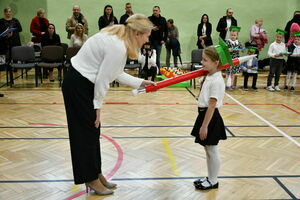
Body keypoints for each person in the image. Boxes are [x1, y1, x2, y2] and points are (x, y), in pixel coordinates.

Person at [62, 14, 154, 195]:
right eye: (146, 35)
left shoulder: (119, 40)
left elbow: (115, 72)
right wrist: (97, 108)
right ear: (137, 33)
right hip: (78, 85)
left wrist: (140, 82)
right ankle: (90, 178)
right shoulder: (117, 46)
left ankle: (96, 173)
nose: (147, 39)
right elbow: (103, 80)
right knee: (85, 133)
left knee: (93, 132)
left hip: (85, 83)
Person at [191, 46, 226, 190]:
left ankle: (213, 180)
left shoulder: (217, 80)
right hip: (204, 114)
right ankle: (210, 177)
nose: (202, 62)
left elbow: (212, 105)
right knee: (208, 149)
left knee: (212, 150)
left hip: (209, 116)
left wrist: (204, 126)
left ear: (216, 62)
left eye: (205, 60)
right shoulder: (209, 76)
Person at [148, 6, 168, 70]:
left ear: (159, 11)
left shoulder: (163, 19)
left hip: (159, 41)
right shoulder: (149, 19)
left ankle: (158, 71)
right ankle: (149, 71)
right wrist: (151, 28)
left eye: (156, 10)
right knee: (150, 57)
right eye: (154, 10)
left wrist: (164, 40)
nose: (155, 12)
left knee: (157, 57)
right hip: (150, 41)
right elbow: (145, 28)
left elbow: (166, 31)